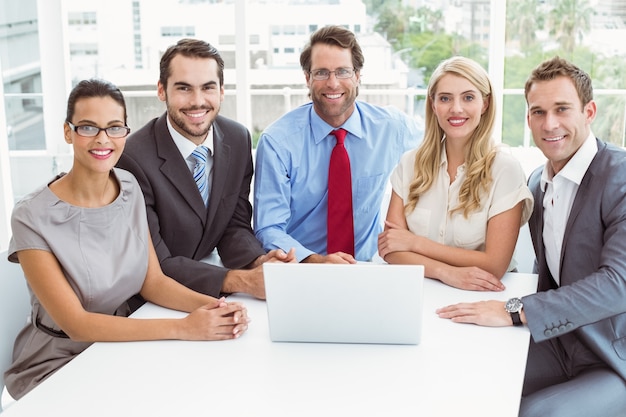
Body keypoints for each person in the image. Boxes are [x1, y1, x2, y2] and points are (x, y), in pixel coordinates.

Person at [4, 79, 249, 400]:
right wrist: (184, 328)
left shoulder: (129, 186)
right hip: (57, 361)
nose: (103, 139)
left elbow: (153, 282)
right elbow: (77, 324)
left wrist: (217, 308)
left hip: (120, 346)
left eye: (115, 127)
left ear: (125, 132)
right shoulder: (31, 215)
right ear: (68, 132)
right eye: (88, 128)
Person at [436, 56, 626, 417]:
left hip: (613, 357)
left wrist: (514, 311)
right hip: (557, 341)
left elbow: (619, 284)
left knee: (534, 413)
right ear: (528, 119)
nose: (549, 123)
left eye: (562, 109)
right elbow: (548, 275)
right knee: (469, 383)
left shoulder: (620, 178)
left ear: (589, 111)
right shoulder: (537, 181)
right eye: (538, 112)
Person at [117, 39, 294, 302]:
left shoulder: (237, 138)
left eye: (208, 88)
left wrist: (259, 261)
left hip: (209, 289)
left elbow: (233, 224)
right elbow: (155, 263)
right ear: (161, 90)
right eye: (184, 88)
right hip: (151, 301)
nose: (197, 101)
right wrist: (241, 280)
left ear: (222, 91)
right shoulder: (132, 159)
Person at [253, 25, 421, 263]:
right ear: (307, 78)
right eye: (321, 73)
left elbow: (443, 140)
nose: (333, 83)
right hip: (303, 269)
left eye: (342, 71)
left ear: (357, 75)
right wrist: (316, 261)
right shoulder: (277, 142)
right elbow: (268, 228)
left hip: (367, 267)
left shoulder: (392, 128)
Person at [377, 56, 533, 291]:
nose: (456, 108)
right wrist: (446, 273)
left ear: (485, 104)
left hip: (484, 297)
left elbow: (494, 264)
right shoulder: (409, 164)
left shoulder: (505, 169)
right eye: (445, 98)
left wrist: (415, 243)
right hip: (418, 291)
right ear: (433, 105)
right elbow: (392, 250)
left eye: (468, 97)